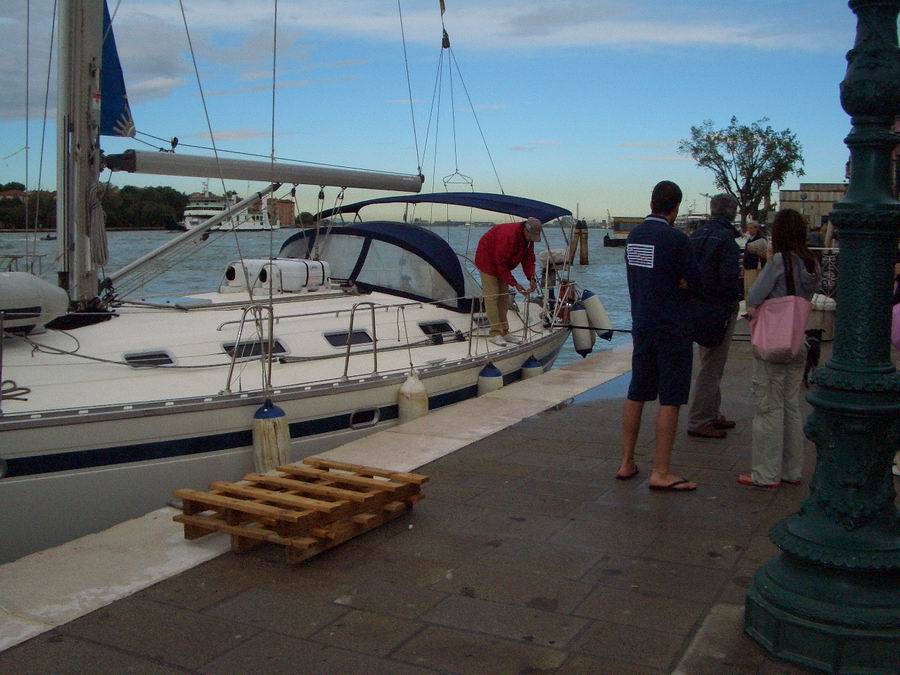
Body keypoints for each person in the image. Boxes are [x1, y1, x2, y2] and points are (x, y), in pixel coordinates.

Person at [616, 180, 701, 492]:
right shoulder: (677, 239)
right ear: (675, 207)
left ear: (651, 202)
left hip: (642, 322)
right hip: (672, 327)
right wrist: (682, 283)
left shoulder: (634, 236)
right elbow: (696, 281)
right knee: (671, 397)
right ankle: (661, 471)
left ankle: (626, 461)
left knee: (637, 392)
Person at [739, 209, 820, 488]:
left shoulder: (778, 261)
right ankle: (791, 470)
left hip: (774, 342)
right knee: (790, 406)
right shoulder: (812, 263)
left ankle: (765, 473)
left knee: (768, 407)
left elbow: (754, 295)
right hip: (798, 340)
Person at [686, 194, 743, 439]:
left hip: (696, 306)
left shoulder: (696, 236)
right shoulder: (727, 240)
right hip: (718, 308)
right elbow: (729, 279)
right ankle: (699, 419)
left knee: (709, 360)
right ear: (732, 213)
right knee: (712, 366)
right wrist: (735, 299)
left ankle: (712, 411)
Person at [474, 217, 542, 346]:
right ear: (526, 230)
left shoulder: (528, 240)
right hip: (487, 260)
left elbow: (528, 259)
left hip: (502, 264)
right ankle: (495, 333)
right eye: (531, 236)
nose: (532, 239)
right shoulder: (508, 236)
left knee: (504, 298)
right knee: (492, 296)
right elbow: (500, 263)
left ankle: (504, 331)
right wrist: (514, 283)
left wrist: (531, 278)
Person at [743, 221, 767, 299]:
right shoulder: (750, 239)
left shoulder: (761, 240)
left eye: (751, 228)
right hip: (748, 267)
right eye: (748, 228)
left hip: (755, 268)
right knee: (747, 289)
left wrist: (755, 252)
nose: (749, 230)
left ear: (756, 229)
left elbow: (765, 254)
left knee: (752, 289)